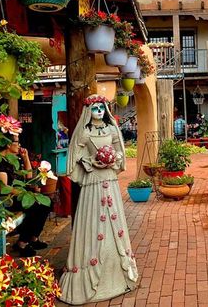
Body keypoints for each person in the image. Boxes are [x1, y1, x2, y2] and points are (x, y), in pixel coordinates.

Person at [60, 94, 138, 305]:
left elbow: (119, 152)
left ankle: (117, 276)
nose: (99, 112)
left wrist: (112, 160)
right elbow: (76, 156)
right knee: (92, 222)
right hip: (93, 181)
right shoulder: (84, 132)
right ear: (89, 112)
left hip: (109, 179)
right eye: (95, 109)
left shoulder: (112, 130)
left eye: (101, 108)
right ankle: (91, 278)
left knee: (114, 222)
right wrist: (92, 161)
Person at [0, 125, 50, 258]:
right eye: (17, 142)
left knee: (47, 203)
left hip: (14, 197)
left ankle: (32, 238)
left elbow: (29, 177)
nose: (19, 145)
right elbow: (3, 188)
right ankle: (22, 243)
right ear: (8, 144)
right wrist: (25, 195)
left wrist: (25, 158)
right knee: (35, 207)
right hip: (2, 201)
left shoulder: (13, 160)